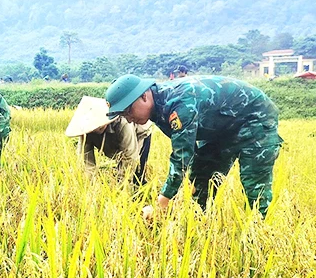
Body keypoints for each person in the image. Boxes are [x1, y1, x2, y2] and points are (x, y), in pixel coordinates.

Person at [106, 74, 283, 217]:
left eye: (128, 110)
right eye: (122, 114)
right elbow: (190, 150)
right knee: (202, 177)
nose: (128, 118)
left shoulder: (179, 103)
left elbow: (182, 157)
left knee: (254, 184)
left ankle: (259, 235)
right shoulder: (157, 109)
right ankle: (201, 225)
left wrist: (162, 204)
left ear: (144, 96)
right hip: (222, 127)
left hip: (255, 117)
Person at [65, 96, 153, 184]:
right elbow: (86, 161)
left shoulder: (122, 123)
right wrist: (90, 186)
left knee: (137, 175)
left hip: (140, 135)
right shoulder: (85, 130)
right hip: (114, 140)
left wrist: (121, 185)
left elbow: (129, 156)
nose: (96, 128)